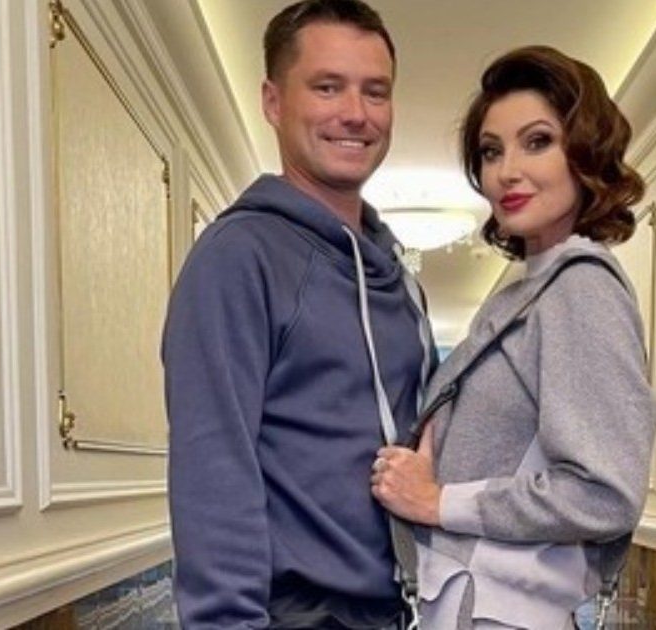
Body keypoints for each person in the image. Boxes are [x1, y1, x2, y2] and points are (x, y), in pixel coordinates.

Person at [162, 1, 435, 627]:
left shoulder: (400, 280)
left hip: (402, 611)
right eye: (327, 87)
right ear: (273, 101)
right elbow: (212, 473)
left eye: (375, 91)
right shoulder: (237, 257)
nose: (356, 113)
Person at [371, 46, 656, 629]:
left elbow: (605, 494)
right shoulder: (529, 293)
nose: (506, 171)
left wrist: (438, 501)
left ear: (585, 152)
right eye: (491, 151)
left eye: (537, 141)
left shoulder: (581, 287)